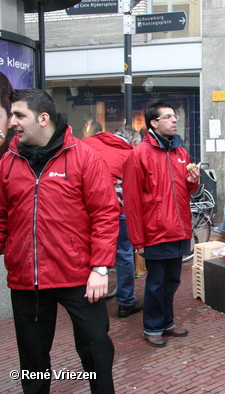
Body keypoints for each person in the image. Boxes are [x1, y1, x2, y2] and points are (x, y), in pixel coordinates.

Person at [0, 88, 120, 393]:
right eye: (11, 114)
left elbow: (105, 214)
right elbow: (2, 217)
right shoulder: (8, 162)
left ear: (42, 118)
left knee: (96, 351)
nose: (12, 121)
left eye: (19, 114)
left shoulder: (84, 157)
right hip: (28, 279)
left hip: (79, 276)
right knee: (33, 360)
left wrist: (101, 267)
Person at [122, 100, 200, 348]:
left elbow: (187, 192)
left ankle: (167, 322)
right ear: (153, 123)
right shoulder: (139, 154)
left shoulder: (181, 152)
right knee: (155, 283)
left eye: (174, 115)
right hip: (155, 232)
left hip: (179, 230)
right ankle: (152, 327)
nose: (174, 119)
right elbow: (132, 202)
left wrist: (193, 181)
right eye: (167, 116)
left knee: (173, 281)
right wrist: (138, 240)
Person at [83, 126, 144, 318]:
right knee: (124, 254)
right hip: (117, 210)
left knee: (88, 251)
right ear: (133, 142)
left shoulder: (88, 144)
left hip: (87, 210)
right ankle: (125, 302)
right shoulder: (131, 155)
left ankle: (89, 294)